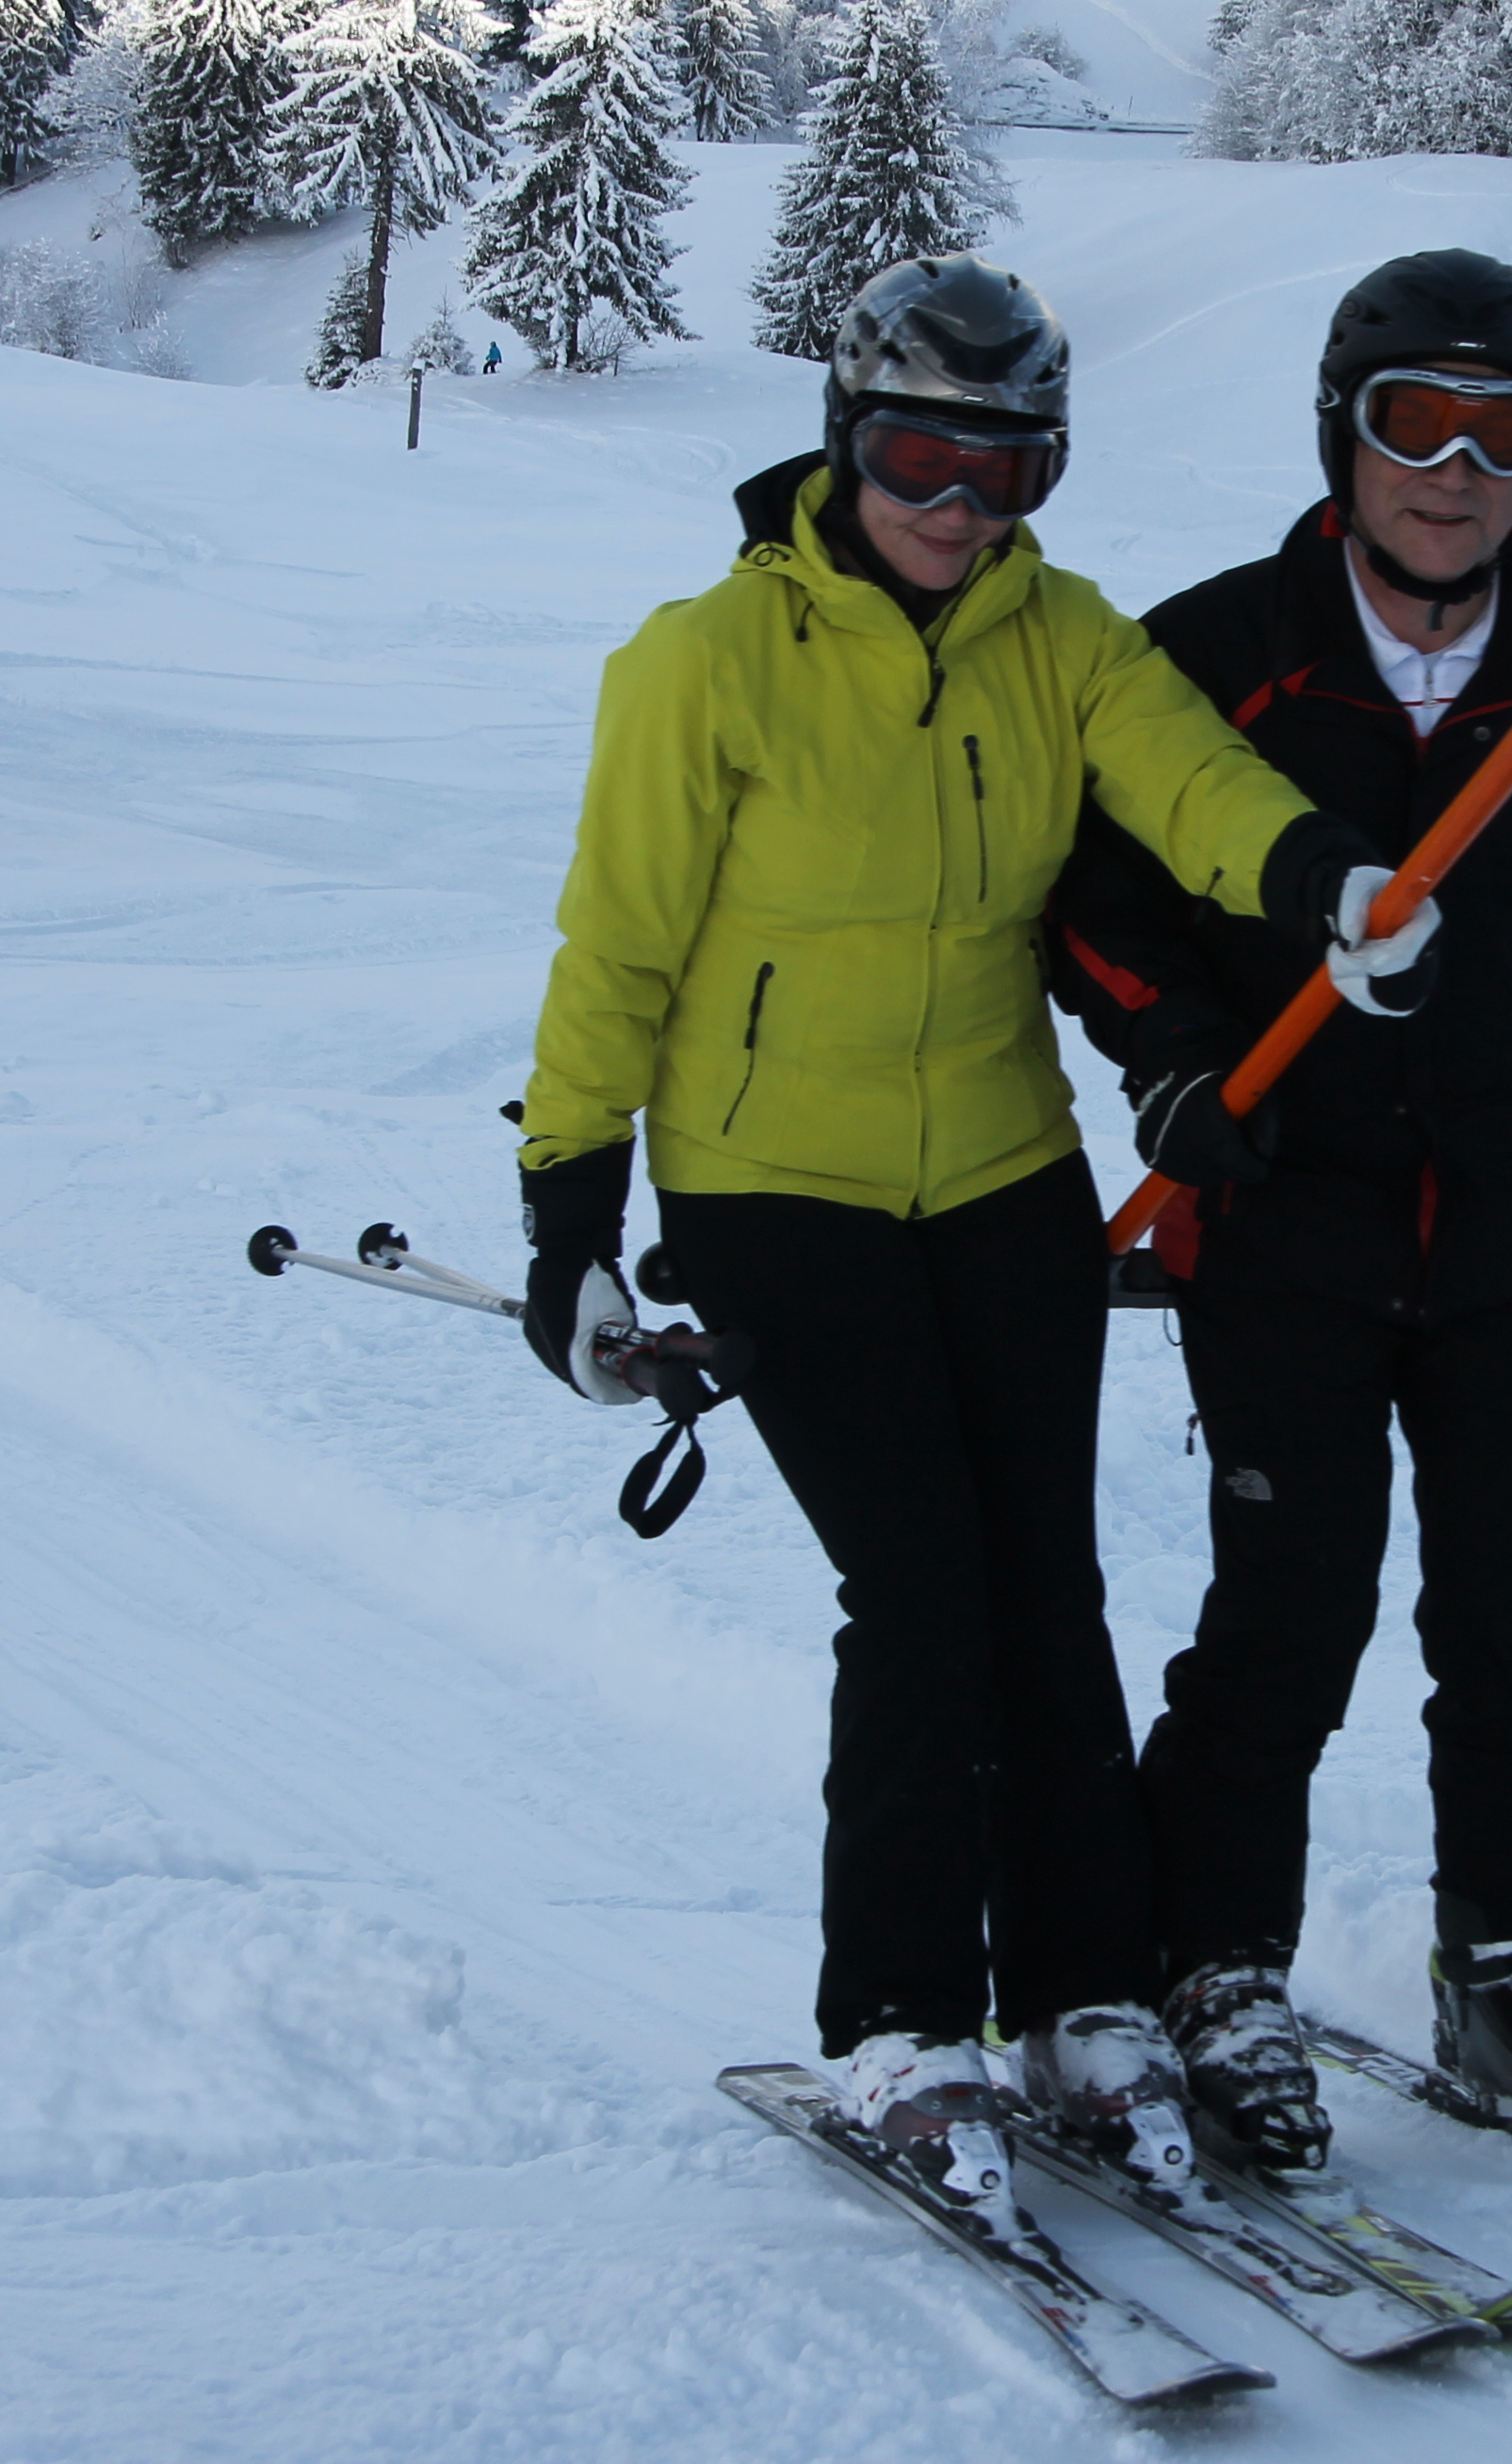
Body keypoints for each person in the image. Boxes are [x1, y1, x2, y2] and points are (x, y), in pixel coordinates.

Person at [513, 255, 1434, 2214]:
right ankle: (902, 2021)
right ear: (846, 441)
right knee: (922, 1595)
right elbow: (616, 948)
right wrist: (570, 1211)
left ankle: (1084, 1995)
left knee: (1046, 1591)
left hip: (1007, 1171)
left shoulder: (1060, 636)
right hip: (774, 1186)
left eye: (1011, 466)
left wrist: (1320, 881)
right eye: (922, 456)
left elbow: (1194, 783)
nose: (960, 503)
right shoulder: (706, 661)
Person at [1047, 252, 1512, 2170]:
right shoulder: (1217, 653)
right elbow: (1093, 904)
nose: (1454, 471)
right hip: (1288, 1226)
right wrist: (1178, 1063)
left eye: (1506, 433)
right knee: (1289, 1608)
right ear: (1341, 435)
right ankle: (1214, 1963)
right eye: (1413, 421)